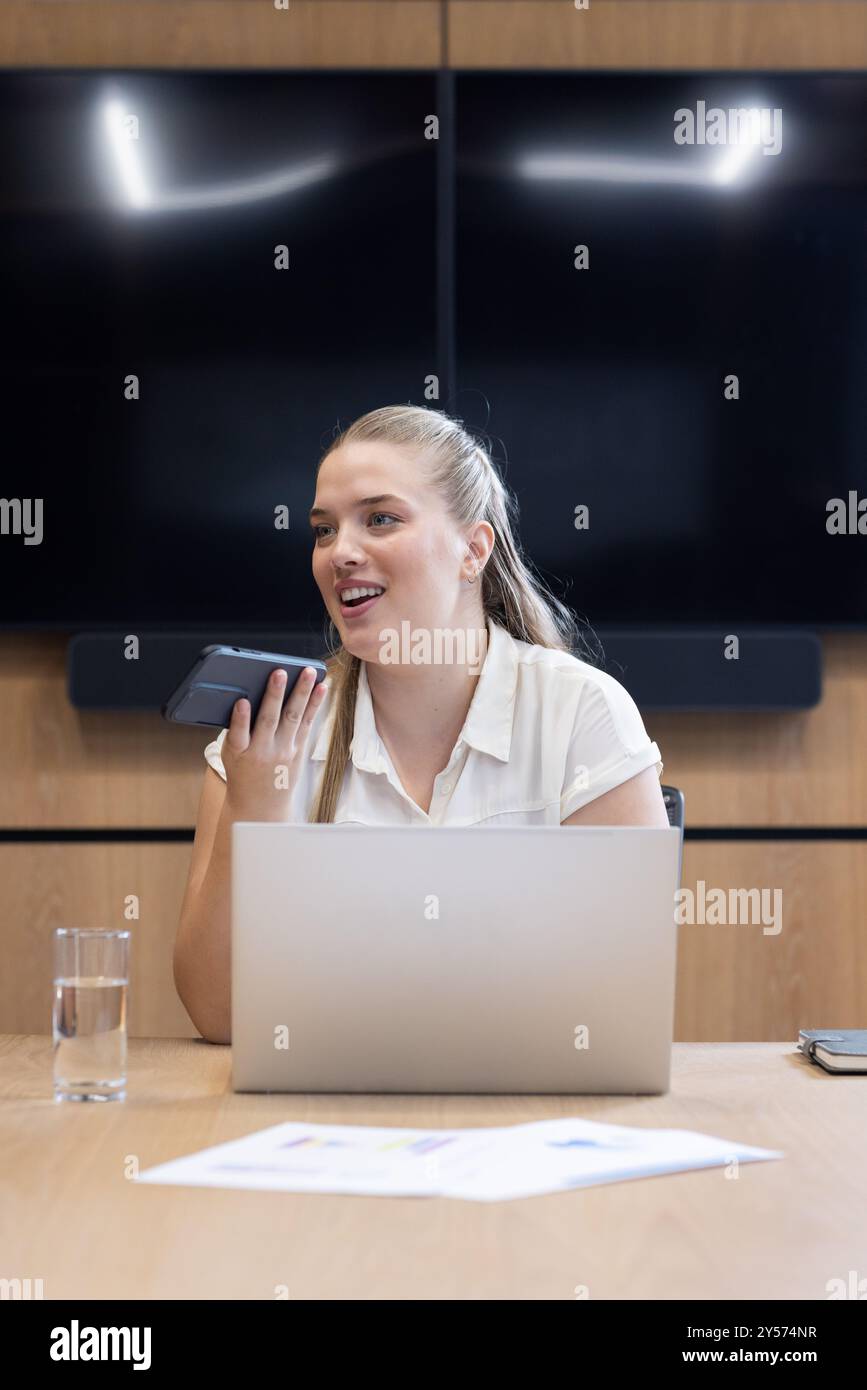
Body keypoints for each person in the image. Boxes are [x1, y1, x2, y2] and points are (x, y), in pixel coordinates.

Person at [174, 405, 667, 1043]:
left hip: (529, 1118)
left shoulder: (582, 714)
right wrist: (254, 809)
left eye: (380, 519)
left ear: (473, 550)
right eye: (324, 531)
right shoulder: (264, 735)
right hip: (324, 1123)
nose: (340, 553)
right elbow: (219, 1017)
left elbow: (619, 1007)